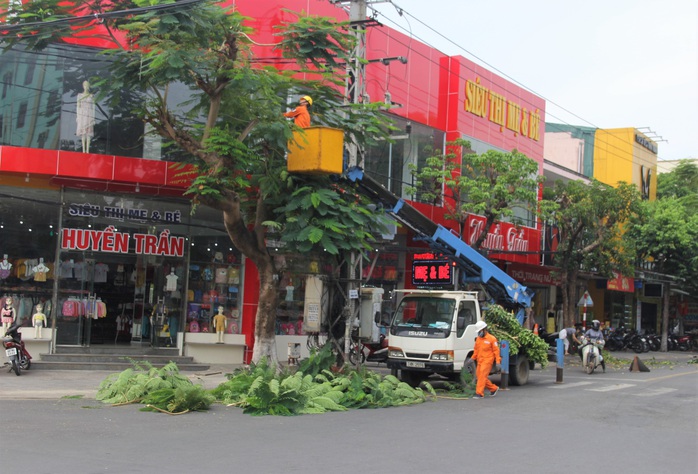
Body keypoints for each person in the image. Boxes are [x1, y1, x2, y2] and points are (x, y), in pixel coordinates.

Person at [471, 320, 501, 399]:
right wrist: (472, 358)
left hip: (487, 361)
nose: (479, 333)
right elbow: (476, 350)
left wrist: (498, 362)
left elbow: (496, 351)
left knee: (482, 377)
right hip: (480, 361)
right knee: (479, 376)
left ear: (484, 329)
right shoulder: (478, 339)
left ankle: (479, 393)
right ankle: (493, 388)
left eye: (480, 331)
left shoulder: (492, 339)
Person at [76, 80, 95, 152]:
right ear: (83, 86)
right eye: (85, 85)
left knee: (88, 133)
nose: (86, 87)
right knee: (83, 133)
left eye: (87, 85)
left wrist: (93, 117)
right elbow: (78, 106)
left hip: (89, 115)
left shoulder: (91, 96)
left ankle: (87, 150)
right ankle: (83, 150)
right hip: (82, 115)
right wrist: (77, 116)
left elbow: (93, 107)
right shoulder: (79, 95)